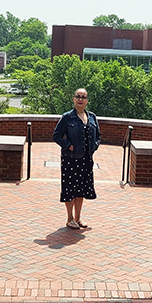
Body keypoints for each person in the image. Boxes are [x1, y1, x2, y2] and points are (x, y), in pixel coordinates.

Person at [52, 88, 101, 229]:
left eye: (83, 97)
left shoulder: (92, 117)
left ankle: (78, 218)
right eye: (78, 96)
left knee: (81, 189)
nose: (80, 99)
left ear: (87, 100)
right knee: (70, 189)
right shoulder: (67, 117)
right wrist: (68, 146)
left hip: (86, 159)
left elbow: (98, 135)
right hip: (70, 159)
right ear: (73, 99)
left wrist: (94, 147)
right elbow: (56, 135)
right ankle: (69, 219)